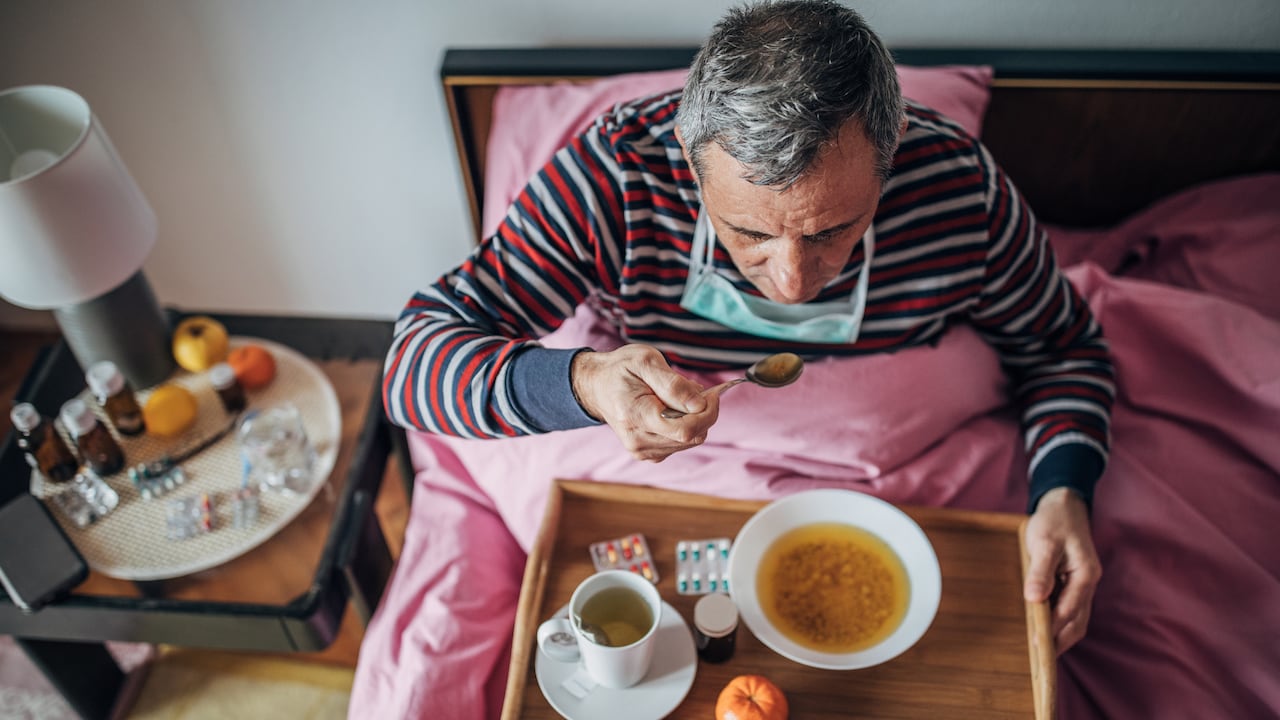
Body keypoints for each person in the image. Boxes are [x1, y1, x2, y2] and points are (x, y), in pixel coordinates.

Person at [383, 0, 1112, 664]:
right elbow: (411, 364)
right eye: (747, 232)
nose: (792, 281)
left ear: (890, 162)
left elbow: (1065, 352)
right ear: (690, 165)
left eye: (834, 230)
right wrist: (586, 382)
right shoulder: (616, 176)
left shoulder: (964, 194)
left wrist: (1063, 493)